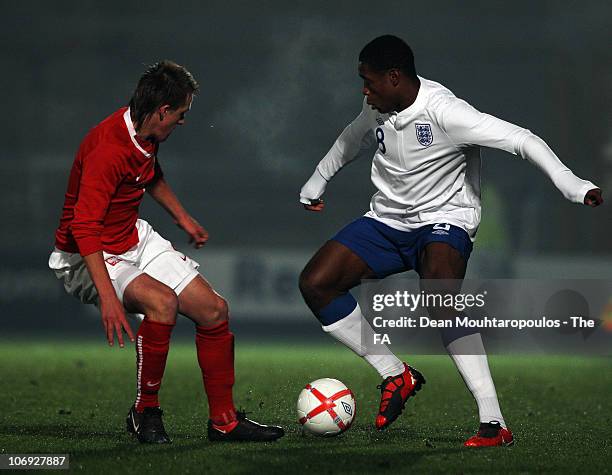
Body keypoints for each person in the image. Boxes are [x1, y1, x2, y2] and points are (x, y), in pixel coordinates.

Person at [298, 35, 603, 447]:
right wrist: (317, 182)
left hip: (444, 219)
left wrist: (572, 185)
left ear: (394, 77)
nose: (364, 91)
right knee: (316, 283)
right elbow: (351, 138)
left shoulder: (447, 113)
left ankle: (494, 423)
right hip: (388, 220)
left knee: (440, 299)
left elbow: (522, 139)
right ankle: (395, 374)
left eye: (369, 82)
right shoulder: (376, 106)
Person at [49, 60, 284, 444]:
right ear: (162, 111)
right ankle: (145, 411)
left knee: (214, 310)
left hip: (131, 237)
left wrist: (184, 219)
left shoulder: (145, 133)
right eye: (181, 114)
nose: (183, 121)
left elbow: (149, 176)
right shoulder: (108, 148)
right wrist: (107, 297)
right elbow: (84, 226)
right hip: (85, 254)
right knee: (162, 305)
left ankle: (224, 421)